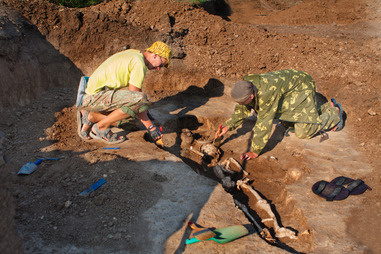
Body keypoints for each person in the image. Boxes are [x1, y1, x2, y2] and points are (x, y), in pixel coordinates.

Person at [215, 69, 346, 160]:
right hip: (289, 88)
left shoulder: (266, 93)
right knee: (285, 120)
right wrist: (228, 126)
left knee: (303, 132)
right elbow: (242, 108)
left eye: (244, 101)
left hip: (301, 86)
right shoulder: (247, 86)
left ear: (251, 95)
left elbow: (264, 122)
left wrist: (255, 150)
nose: (242, 104)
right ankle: (322, 108)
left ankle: (334, 115)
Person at [77, 41, 172, 144]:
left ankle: (91, 116)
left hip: (93, 95)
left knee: (134, 122)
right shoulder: (139, 63)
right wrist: (151, 127)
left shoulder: (134, 54)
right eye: (161, 64)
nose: (158, 69)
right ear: (155, 55)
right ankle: (100, 127)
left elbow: (136, 93)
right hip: (93, 97)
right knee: (139, 101)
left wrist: (144, 110)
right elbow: (136, 98)